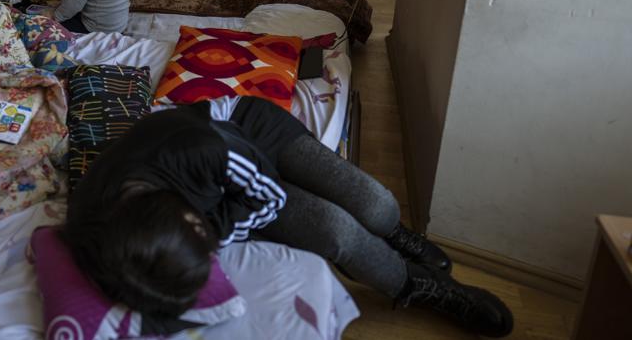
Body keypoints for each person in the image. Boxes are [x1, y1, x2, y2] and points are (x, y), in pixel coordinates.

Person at [65, 96, 514, 338]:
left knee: (375, 205)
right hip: (219, 187)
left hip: (248, 133)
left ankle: (396, 234)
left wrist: (220, 232)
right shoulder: (95, 223)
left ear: (189, 214)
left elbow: (272, 198)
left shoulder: (198, 151)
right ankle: (419, 286)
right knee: (337, 232)